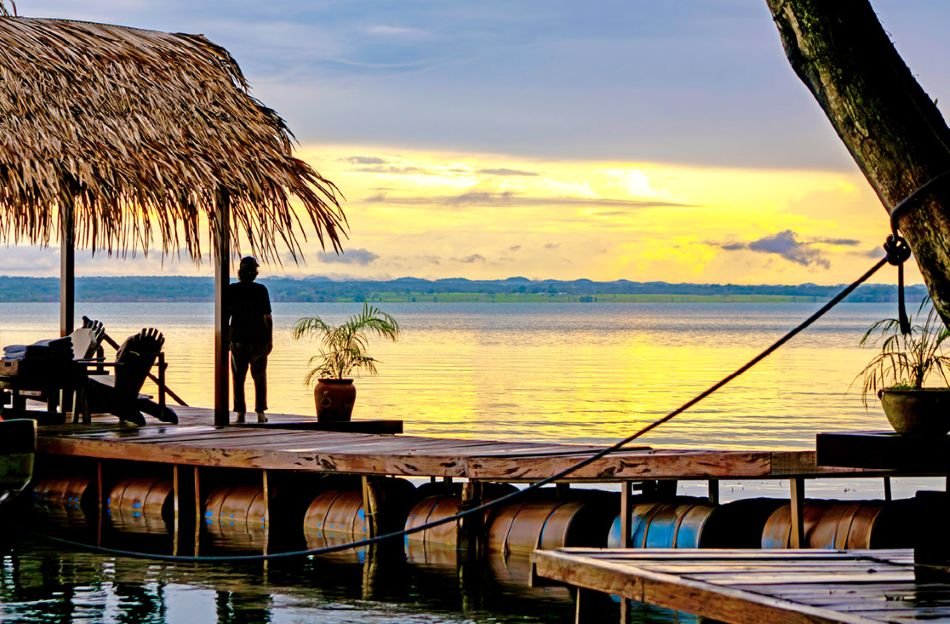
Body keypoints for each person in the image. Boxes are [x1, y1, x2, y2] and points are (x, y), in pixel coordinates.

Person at [227, 256, 272, 423]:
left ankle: (240, 413)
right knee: (260, 377)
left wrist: (226, 339)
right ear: (255, 273)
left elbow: (227, 315)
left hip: (238, 339)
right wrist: (269, 339)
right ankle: (260, 413)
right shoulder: (261, 290)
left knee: (238, 377)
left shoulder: (232, 289)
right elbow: (267, 318)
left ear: (240, 272)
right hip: (259, 339)